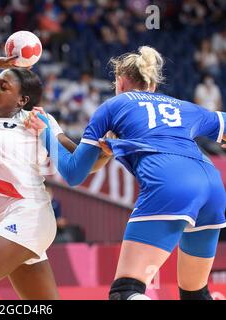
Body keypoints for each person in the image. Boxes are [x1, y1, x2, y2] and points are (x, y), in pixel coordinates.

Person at [27, 46, 226, 300]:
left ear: (119, 82)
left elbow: (74, 173)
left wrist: (44, 132)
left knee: (126, 292)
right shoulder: (183, 106)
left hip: (170, 182)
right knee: (195, 294)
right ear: (152, 85)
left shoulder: (113, 105)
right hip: (212, 184)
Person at [0, 56, 109, 300]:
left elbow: (81, 163)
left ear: (22, 100)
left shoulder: (39, 121)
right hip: (3, 221)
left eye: (3, 86)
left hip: (28, 214)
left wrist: (105, 154)